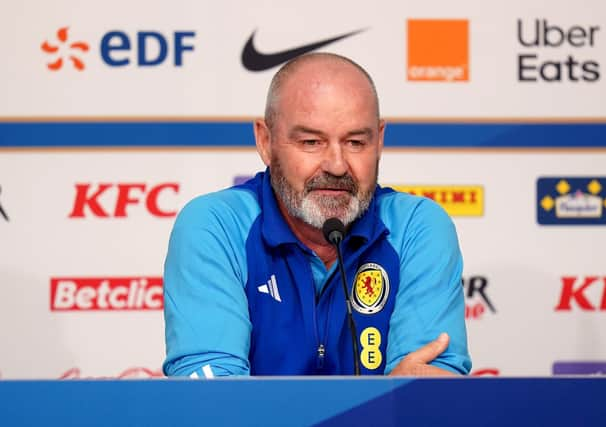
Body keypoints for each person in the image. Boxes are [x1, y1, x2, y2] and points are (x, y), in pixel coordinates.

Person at [162, 53, 471, 377]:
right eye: (311, 141)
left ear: (379, 141)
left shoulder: (416, 228)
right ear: (265, 141)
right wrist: (382, 402)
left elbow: (426, 395)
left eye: (355, 142)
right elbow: (212, 402)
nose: (337, 165)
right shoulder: (216, 226)